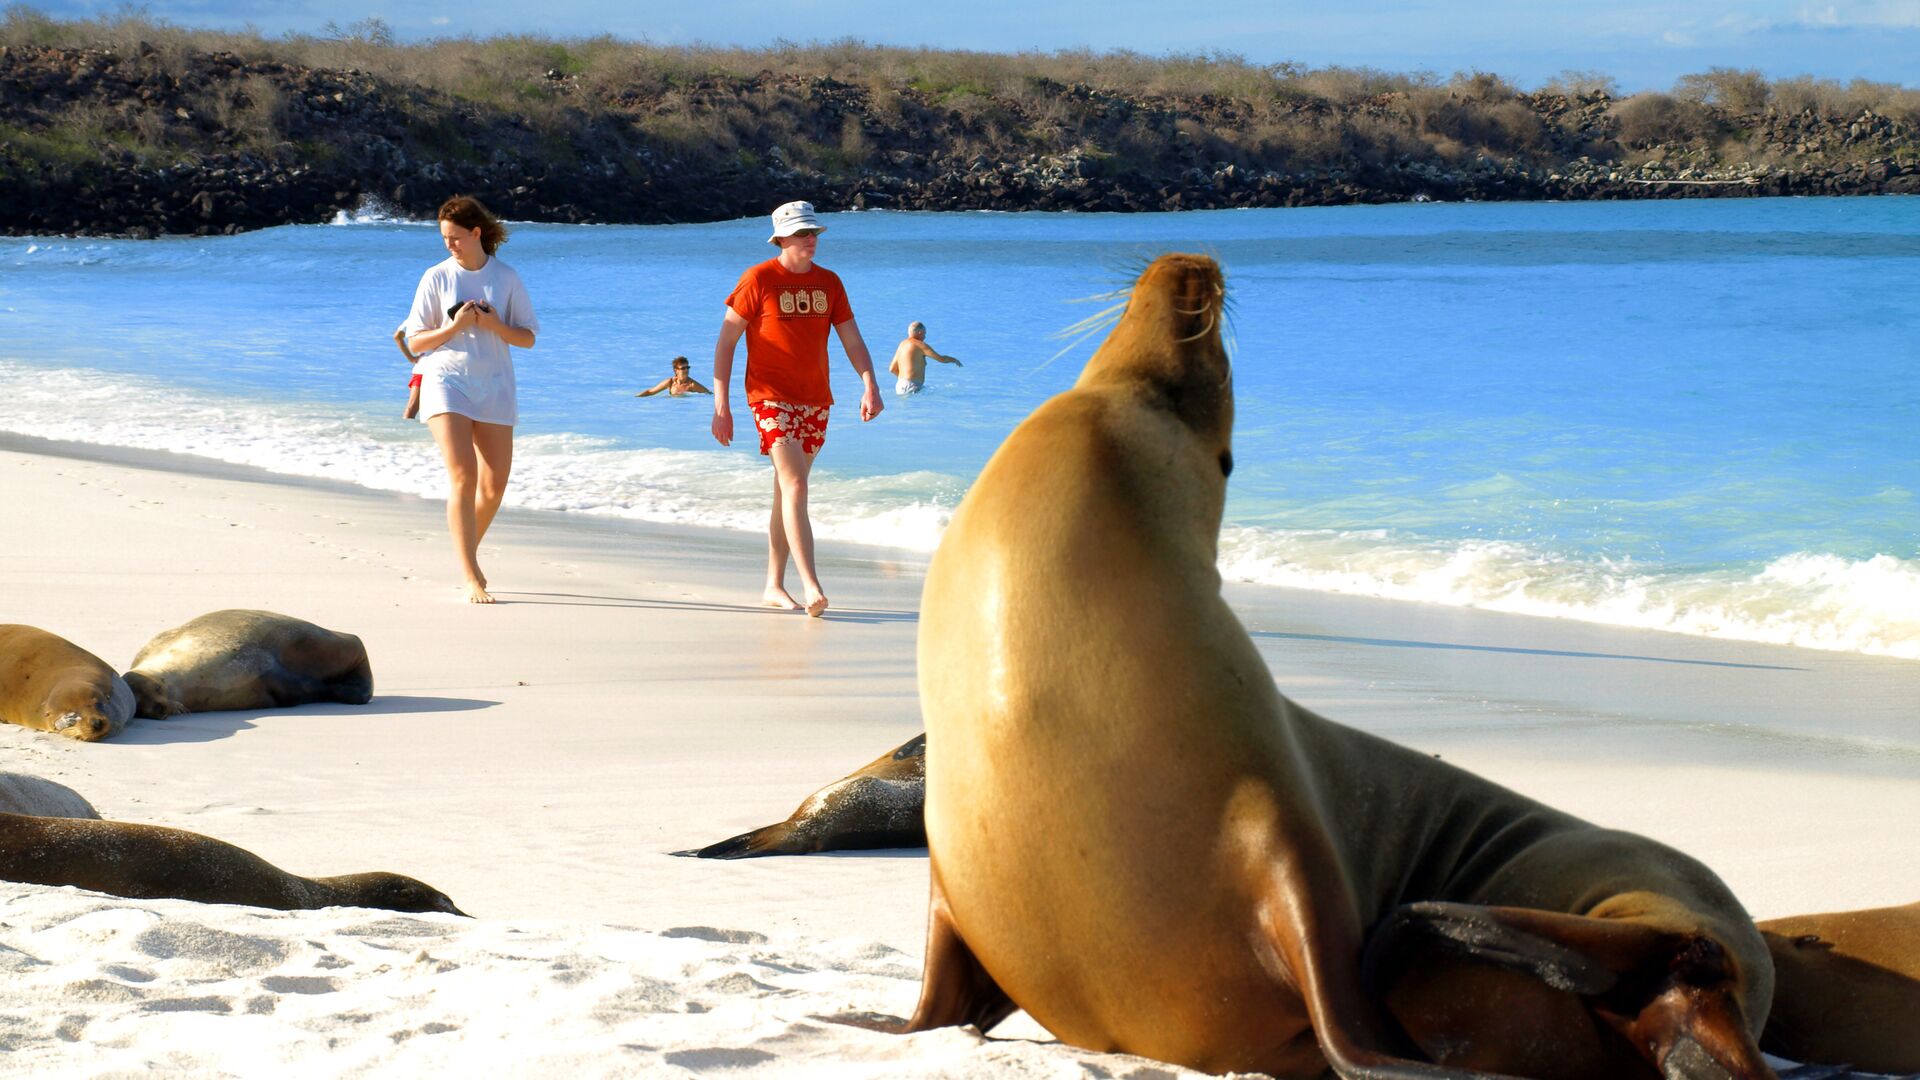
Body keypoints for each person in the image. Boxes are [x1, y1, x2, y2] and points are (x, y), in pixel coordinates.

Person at [711, 200, 883, 618]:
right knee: (796, 486)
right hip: (769, 396)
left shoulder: (830, 283)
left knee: (786, 493)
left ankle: (773, 585)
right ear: (781, 238)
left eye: (814, 233)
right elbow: (726, 343)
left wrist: (870, 384)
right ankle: (811, 584)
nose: (811, 239)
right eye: (803, 234)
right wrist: (722, 406)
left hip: (815, 398)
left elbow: (852, 340)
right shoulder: (758, 279)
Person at [401, 195, 538, 605]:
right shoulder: (435, 277)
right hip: (446, 380)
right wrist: (454, 325)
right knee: (463, 475)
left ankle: (466, 550)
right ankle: (469, 574)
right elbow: (415, 340)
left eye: (456, 237)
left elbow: (528, 337)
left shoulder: (507, 278)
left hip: (494, 384)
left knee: (494, 486)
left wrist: (495, 324)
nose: (449, 245)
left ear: (476, 232)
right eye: (444, 238)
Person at [886, 320, 961, 394]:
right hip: (912, 386)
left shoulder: (902, 345)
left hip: (899, 385)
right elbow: (941, 359)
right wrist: (954, 360)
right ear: (920, 332)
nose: (925, 337)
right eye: (924, 334)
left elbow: (892, 369)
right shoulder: (920, 345)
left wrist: (905, 380)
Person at [635, 356, 712, 397]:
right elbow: (651, 392)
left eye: (687, 367)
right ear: (676, 370)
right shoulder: (670, 382)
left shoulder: (692, 385)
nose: (686, 370)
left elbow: (709, 394)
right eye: (683, 368)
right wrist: (636, 397)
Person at [394, 326, 424, 419]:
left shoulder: (419, 315)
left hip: (422, 367)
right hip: (425, 368)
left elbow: (398, 336)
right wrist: (411, 358)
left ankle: (400, 430)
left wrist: (411, 358)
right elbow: (397, 336)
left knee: (411, 408)